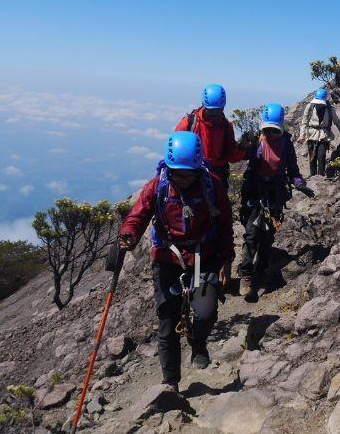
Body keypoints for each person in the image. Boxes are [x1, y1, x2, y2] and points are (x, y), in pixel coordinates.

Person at [118, 131, 234, 392]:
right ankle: (170, 382)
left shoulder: (211, 185)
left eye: (187, 173)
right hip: (167, 259)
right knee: (167, 321)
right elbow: (138, 215)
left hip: (204, 256)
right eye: (176, 173)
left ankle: (198, 343)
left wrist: (227, 259)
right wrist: (129, 234)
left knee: (205, 312)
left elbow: (225, 223)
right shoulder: (157, 187)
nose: (181, 179)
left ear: (197, 168)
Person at [239, 103, 308, 299]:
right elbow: (239, 154)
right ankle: (246, 274)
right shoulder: (256, 142)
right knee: (252, 234)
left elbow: (293, 169)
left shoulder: (286, 144)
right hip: (255, 191)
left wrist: (299, 183)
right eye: (267, 130)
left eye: (274, 131)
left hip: (274, 193)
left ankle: (260, 270)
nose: (271, 134)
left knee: (268, 235)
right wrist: (243, 144)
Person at [175, 83, 248, 189]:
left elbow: (231, 156)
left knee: (218, 205)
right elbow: (176, 153)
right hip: (192, 173)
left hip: (217, 175)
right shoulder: (189, 124)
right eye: (211, 110)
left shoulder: (226, 127)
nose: (214, 114)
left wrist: (242, 148)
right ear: (203, 105)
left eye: (218, 110)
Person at [300, 88, 340, 177]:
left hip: (324, 134)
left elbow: (336, 121)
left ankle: (320, 176)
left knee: (321, 156)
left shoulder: (329, 108)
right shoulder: (310, 106)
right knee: (312, 158)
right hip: (311, 134)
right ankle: (313, 176)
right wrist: (302, 135)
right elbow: (304, 122)